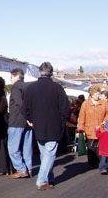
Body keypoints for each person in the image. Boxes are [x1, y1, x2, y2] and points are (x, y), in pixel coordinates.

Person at [22, 62, 70, 190]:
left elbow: (24, 108)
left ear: (40, 72)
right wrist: (62, 121)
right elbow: (65, 108)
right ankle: (42, 180)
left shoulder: (30, 88)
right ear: (51, 73)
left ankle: (50, 178)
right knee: (49, 154)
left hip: (38, 125)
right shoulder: (57, 88)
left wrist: (29, 119)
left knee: (45, 155)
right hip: (54, 126)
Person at [78, 86, 108, 168]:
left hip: (102, 128)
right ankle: (92, 163)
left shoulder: (104, 103)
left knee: (102, 147)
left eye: (99, 93)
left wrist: (106, 120)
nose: (98, 95)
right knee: (91, 147)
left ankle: (103, 163)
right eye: (97, 94)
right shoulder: (85, 104)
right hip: (90, 129)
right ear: (92, 94)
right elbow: (82, 116)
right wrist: (81, 127)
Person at [7, 68, 33, 179]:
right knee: (27, 147)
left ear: (16, 76)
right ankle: (29, 168)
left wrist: (26, 116)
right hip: (28, 122)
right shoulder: (28, 87)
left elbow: (19, 104)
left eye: (11, 77)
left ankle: (21, 169)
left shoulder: (16, 87)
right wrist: (30, 118)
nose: (10, 79)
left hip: (16, 121)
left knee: (12, 148)